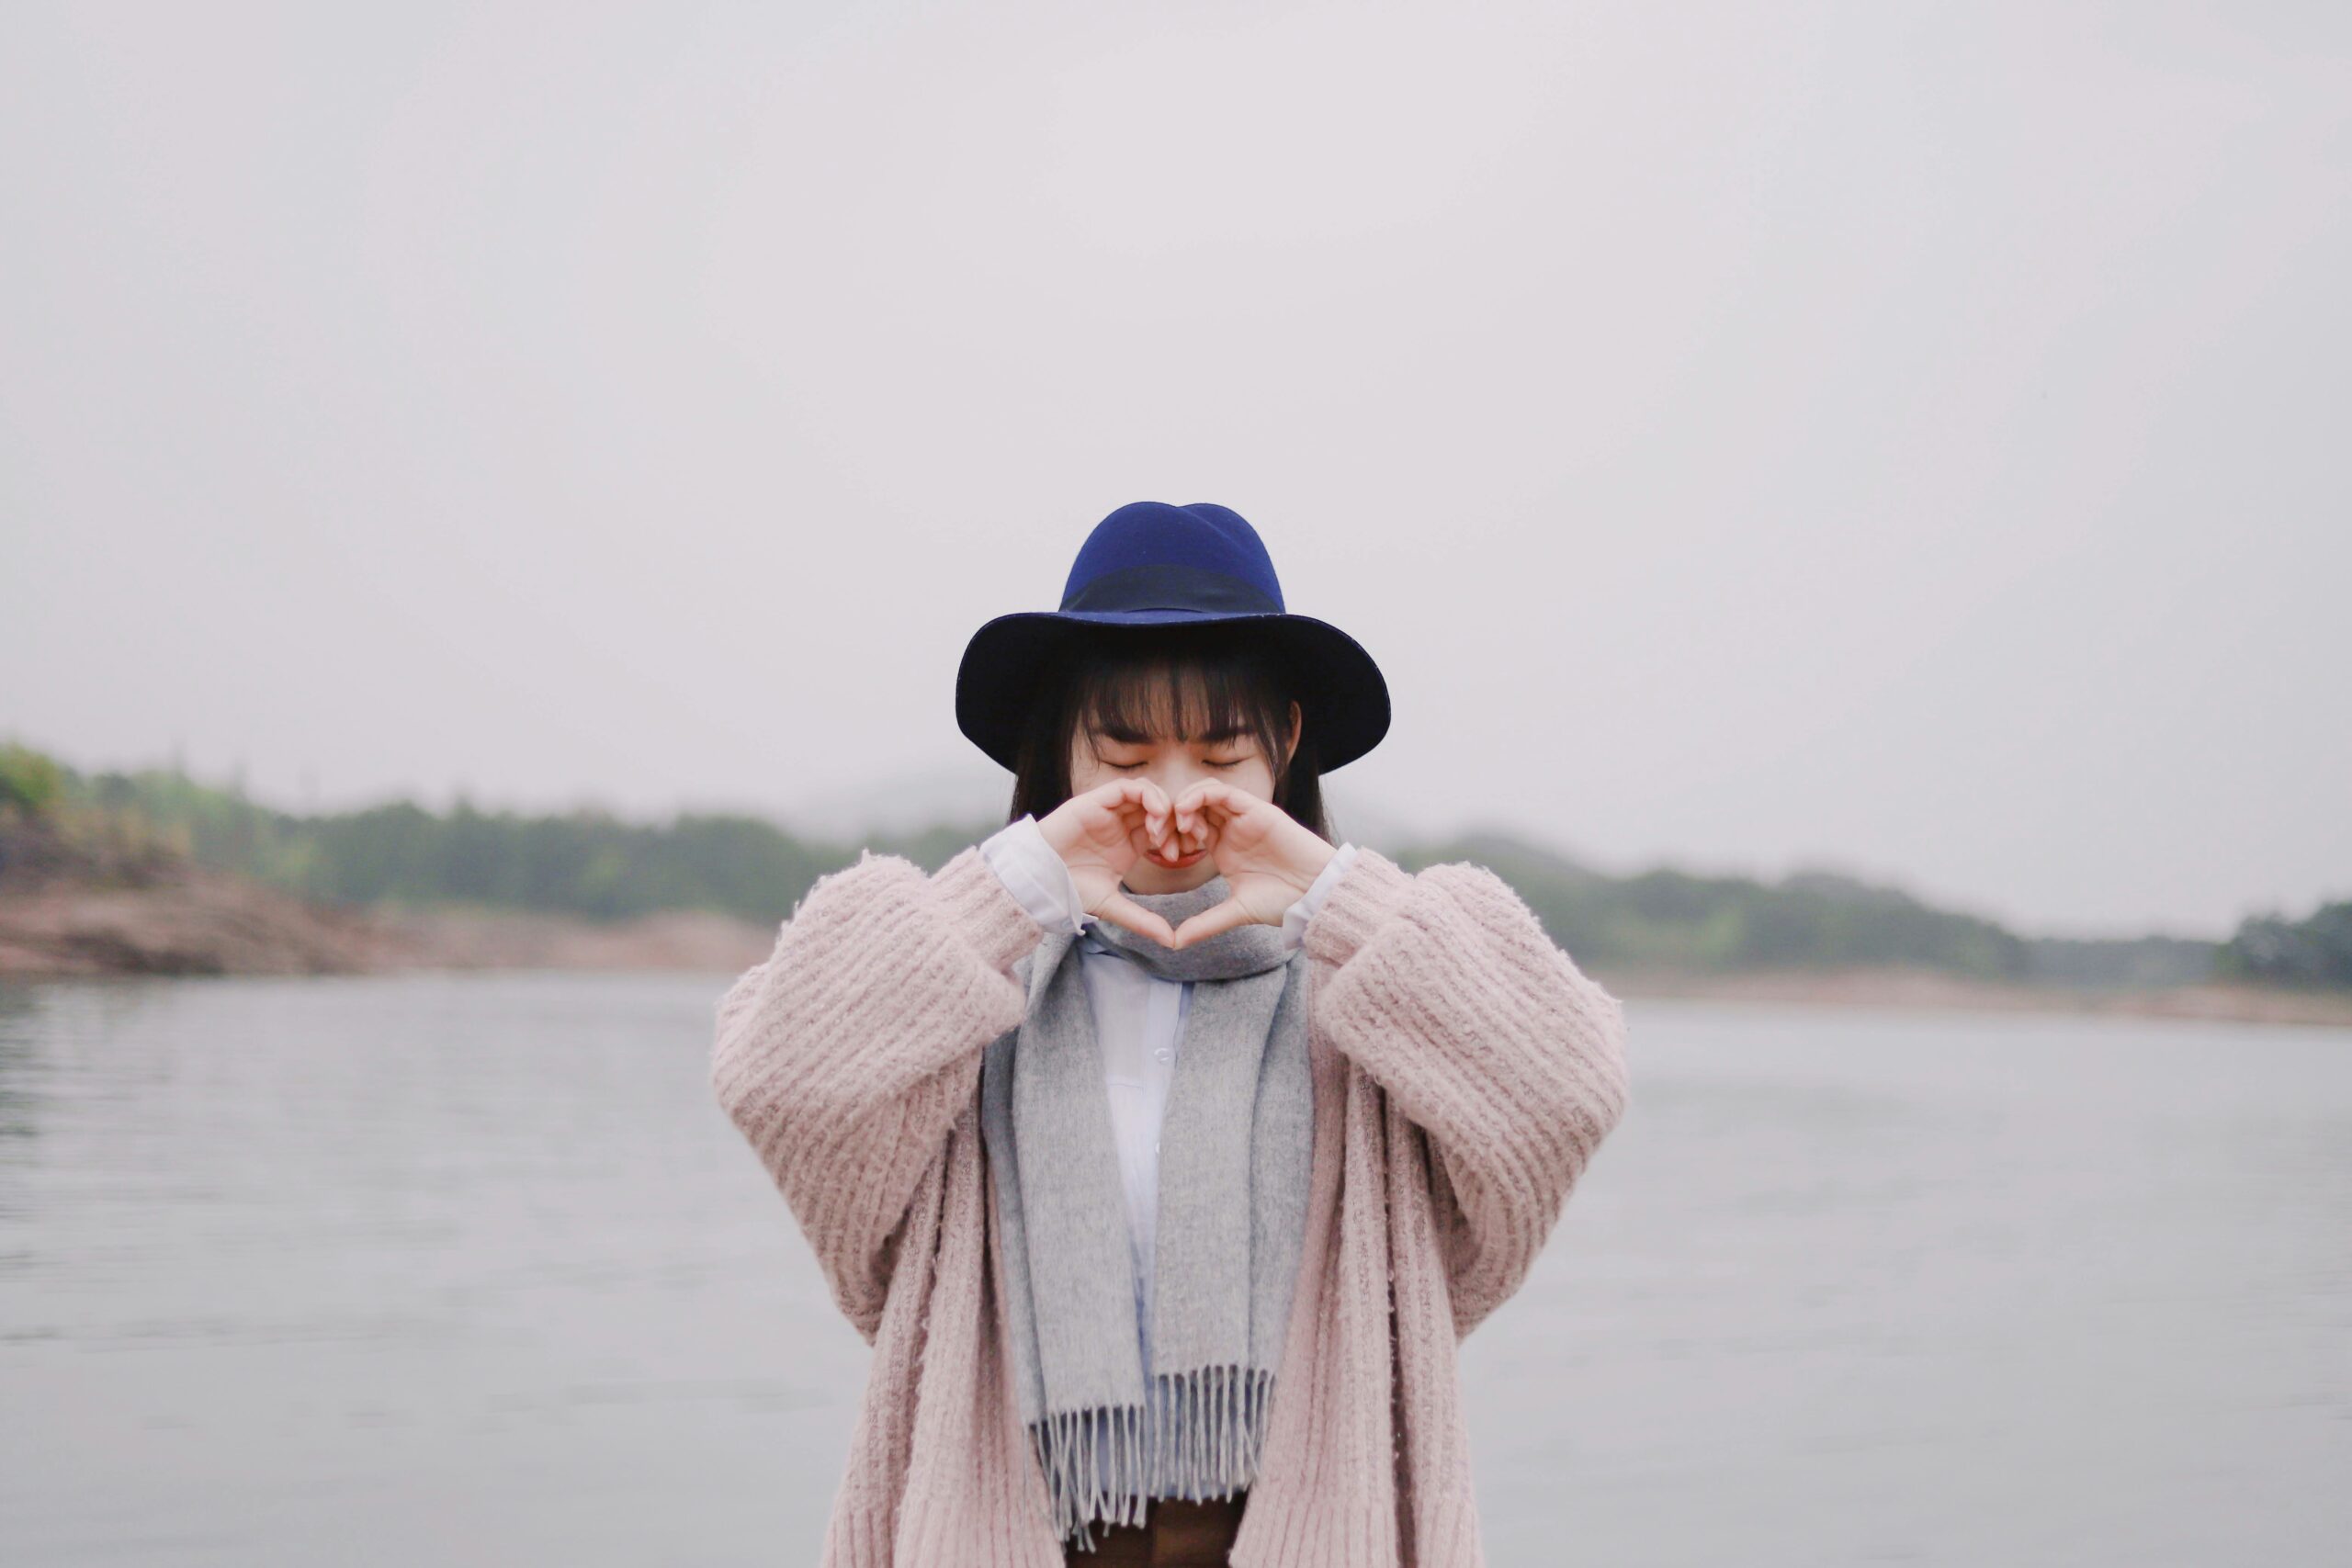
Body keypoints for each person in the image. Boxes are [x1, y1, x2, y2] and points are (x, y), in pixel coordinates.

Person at [711, 502, 1631, 1568]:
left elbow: (1570, 1082)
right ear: (1061, 752)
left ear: (1284, 745)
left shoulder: (1370, 996)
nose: (1174, 797)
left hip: (1304, 1526)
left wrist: (1333, 896)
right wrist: (1015, 885)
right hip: (1020, 1527)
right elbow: (777, 1078)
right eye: (1125, 752)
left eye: (1221, 753)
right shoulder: (972, 983)